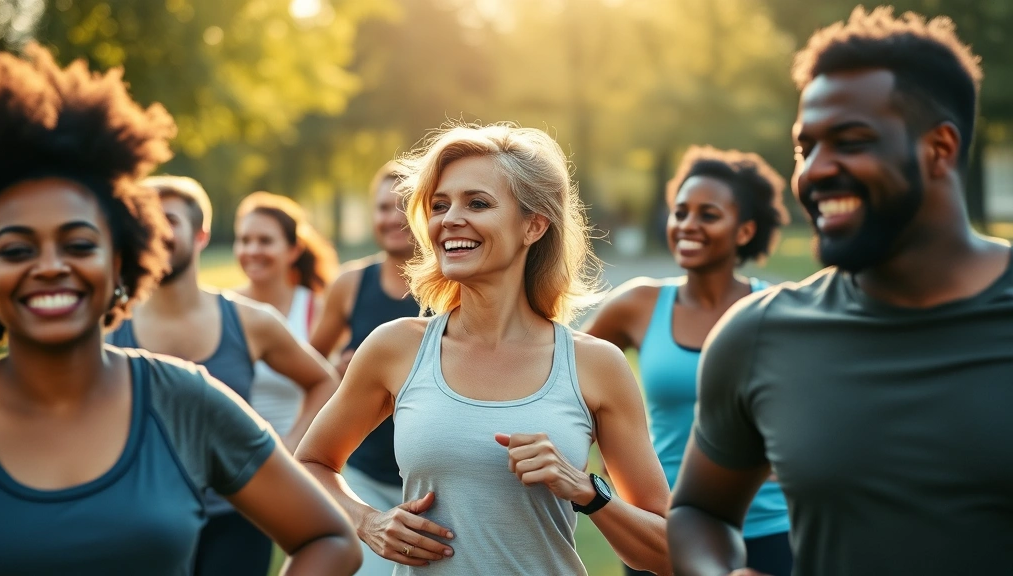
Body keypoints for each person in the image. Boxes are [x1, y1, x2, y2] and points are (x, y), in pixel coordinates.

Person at [0, 44, 361, 575]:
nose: (50, 266)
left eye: (78, 244)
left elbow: (330, 539)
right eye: (17, 249)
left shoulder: (184, 399)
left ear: (121, 262)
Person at [666, 7, 1013, 576]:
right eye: (807, 148)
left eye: (850, 142)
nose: (816, 172)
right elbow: (701, 512)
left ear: (940, 148)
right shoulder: (758, 335)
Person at [296, 123, 672, 575]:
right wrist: (367, 521)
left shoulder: (595, 365)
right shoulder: (395, 347)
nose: (449, 219)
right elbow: (312, 463)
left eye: (477, 203)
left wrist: (586, 490)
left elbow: (667, 550)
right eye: (439, 205)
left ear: (533, 225)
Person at [108, 176, 341, 576]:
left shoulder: (251, 321)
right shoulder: (109, 327)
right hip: (141, 519)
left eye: (168, 220)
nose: (155, 232)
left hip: (237, 520)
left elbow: (324, 382)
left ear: (200, 235)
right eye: (145, 222)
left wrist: (285, 447)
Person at [585, 146, 792, 576]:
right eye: (680, 213)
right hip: (662, 529)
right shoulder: (636, 305)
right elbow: (563, 381)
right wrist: (607, 456)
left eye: (708, 215)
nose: (687, 226)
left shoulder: (777, 311)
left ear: (745, 230)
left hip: (766, 531)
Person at [308, 161, 420, 576]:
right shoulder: (351, 285)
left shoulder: (457, 288)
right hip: (363, 476)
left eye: (403, 207)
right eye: (381, 208)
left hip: (433, 482)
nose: (391, 218)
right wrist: (340, 373)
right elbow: (311, 366)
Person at [234, 191, 338, 440]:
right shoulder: (220, 307)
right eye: (245, 240)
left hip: (290, 460)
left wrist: (290, 452)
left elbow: (330, 387)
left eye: (265, 241)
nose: (252, 250)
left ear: (293, 250)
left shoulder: (316, 310)